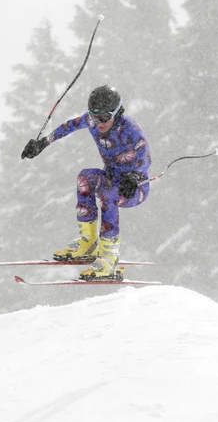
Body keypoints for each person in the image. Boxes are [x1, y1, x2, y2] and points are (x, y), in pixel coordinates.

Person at [21, 84, 151, 280]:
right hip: (111, 178)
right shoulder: (92, 121)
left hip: (134, 187)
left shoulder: (129, 129)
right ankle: (89, 241)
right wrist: (42, 143)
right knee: (85, 178)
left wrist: (134, 176)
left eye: (105, 117)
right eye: (94, 116)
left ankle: (109, 255)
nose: (99, 122)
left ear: (116, 113)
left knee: (108, 192)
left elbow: (146, 158)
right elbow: (68, 127)